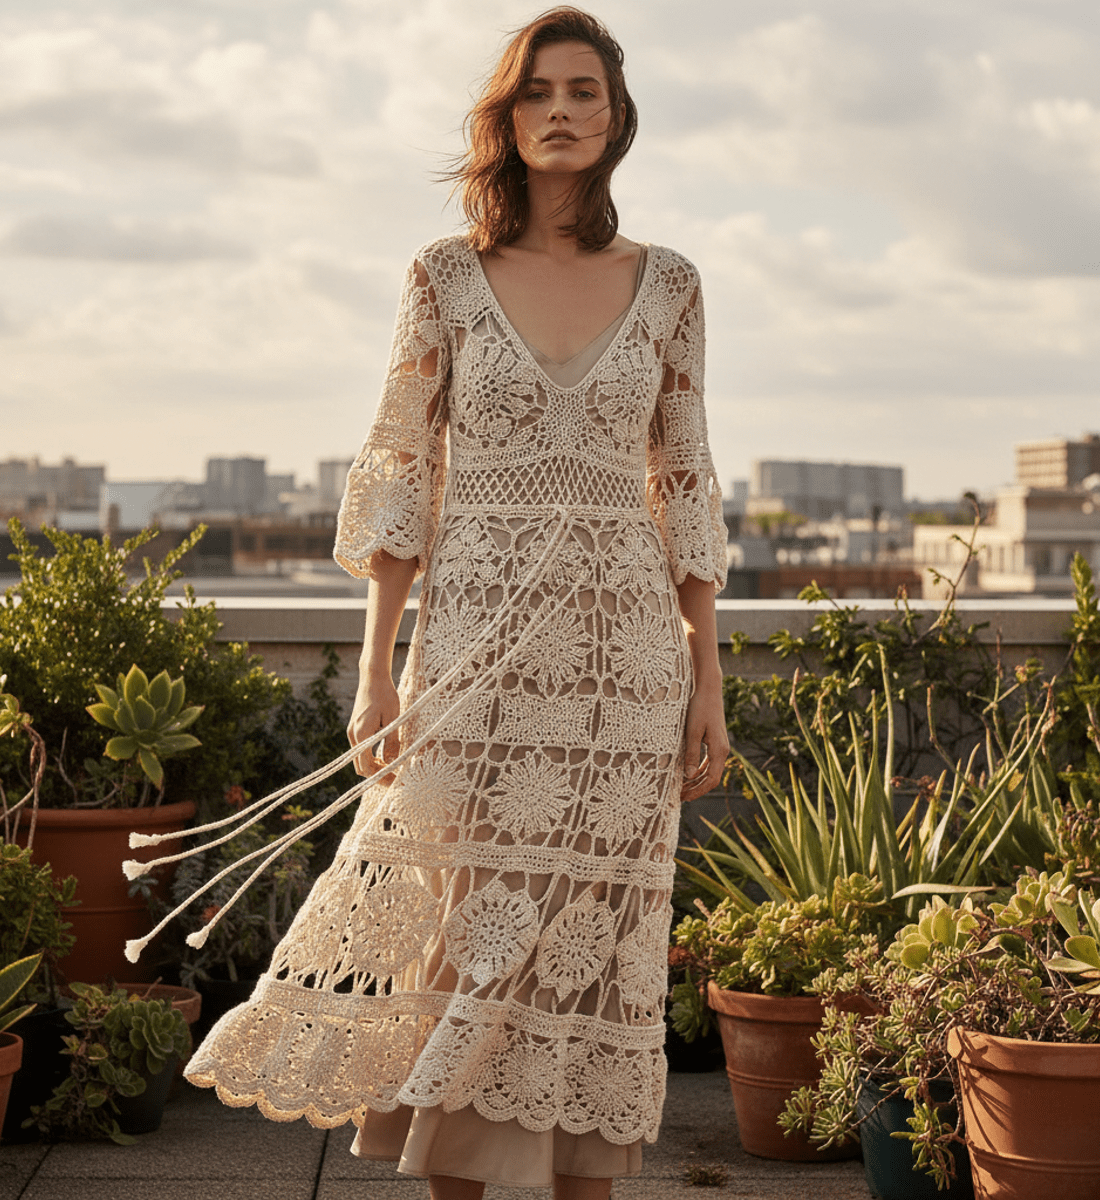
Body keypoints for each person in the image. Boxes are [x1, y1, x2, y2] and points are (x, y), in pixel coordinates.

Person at [185, 9, 728, 1199]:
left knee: (595, 938)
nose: (562, 112)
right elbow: (398, 483)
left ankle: (586, 1178)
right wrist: (377, 671)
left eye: (584, 91)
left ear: (617, 116)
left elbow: (684, 487)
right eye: (538, 92)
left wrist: (707, 684)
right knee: (466, 926)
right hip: (472, 645)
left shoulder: (673, 284)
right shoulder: (443, 278)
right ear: (508, 116)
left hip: (624, 668)